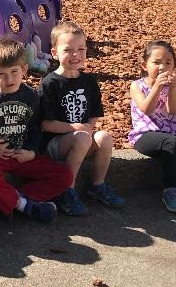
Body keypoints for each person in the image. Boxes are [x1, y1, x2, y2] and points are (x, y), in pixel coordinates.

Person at [0, 37, 73, 223]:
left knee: (64, 175)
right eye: (2, 74)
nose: (9, 79)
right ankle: (25, 207)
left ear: (24, 70)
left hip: (23, 155)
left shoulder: (31, 97)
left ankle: (16, 198)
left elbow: (36, 129)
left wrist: (31, 151)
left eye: (14, 72)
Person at [39, 21, 125, 215]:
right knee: (82, 137)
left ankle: (97, 185)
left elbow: (94, 114)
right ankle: (66, 190)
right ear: (54, 53)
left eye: (81, 49)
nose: (76, 55)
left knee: (104, 137)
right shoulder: (50, 83)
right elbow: (46, 124)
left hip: (81, 139)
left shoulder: (89, 81)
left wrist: (87, 128)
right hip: (55, 144)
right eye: (68, 50)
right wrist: (76, 128)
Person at [128, 41, 176, 214]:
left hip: (169, 138)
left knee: (174, 146)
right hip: (144, 136)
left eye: (168, 63)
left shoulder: (173, 86)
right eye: (156, 62)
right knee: (173, 144)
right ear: (144, 65)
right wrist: (156, 87)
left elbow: (172, 110)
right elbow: (147, 109)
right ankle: (171, 191)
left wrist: (172, 88)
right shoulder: (137, 85)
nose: (162, 67)